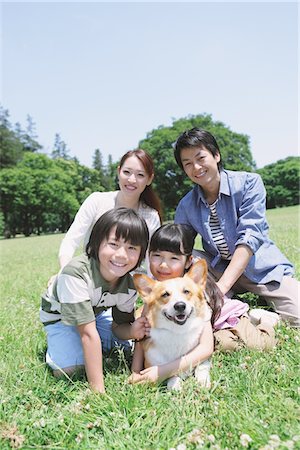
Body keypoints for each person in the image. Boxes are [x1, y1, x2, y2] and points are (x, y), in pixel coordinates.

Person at [174, 128, 299, 328]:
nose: (196, 167)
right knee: (179, 257)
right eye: (188, 164)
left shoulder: (249, 183)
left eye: (200, 158)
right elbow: (177, 244)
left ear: (216, 155)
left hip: (259, 269)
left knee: (298, 315)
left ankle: (256, 312)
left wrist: (220, 289)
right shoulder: (186, 204)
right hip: (219, 267)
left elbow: (249, 237)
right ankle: (236, 309)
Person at [129, 224, 279, 385]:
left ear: (188, 262)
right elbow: (141, 338)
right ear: (148, 256)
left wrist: (164, 371)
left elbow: (206, 348)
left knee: (258, 344)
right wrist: (135, 372)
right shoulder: (155, 294)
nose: (163, 264)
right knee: (225, 344)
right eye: (157, 255)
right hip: (191, 331)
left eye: (174, 258)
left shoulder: (194, 292)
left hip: (224, 316)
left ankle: (266, 320)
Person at [40, 208, 151, 394]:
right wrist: (99, 392)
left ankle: (92, 334)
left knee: (122, 349)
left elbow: (120, 325)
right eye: (114, 244)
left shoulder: (132, 279)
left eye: (132, 248)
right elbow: (88, 335)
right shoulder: (75, 274)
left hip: (96, 314)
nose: (122, 255)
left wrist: (132, 330)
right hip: (61, 318)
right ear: (97, 243)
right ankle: (57, 344)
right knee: (69, 370)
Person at [58, 148, 162, 270]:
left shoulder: (150, 216)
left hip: (128, 279)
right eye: (127, 172)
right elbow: (71, 241)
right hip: (92, 273)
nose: (131, 180)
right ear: (118, 172)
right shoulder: (96, 201)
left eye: (140, 175)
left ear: (149, 179)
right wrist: (64, 273)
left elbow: (151, 257)